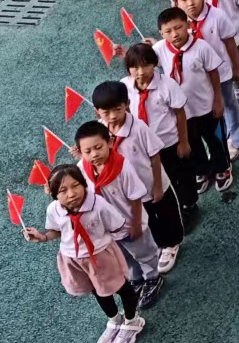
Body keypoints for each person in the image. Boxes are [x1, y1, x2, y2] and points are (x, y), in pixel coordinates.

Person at [23, 165, 146, 343]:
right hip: (73, 259)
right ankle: (115, 319)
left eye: (75, 186)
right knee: (97, 291)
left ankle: (132, 320)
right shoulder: (54, 210)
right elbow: (58, 230)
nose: (71, 194)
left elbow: (116, 225)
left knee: (122, 287)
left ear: (84, 184)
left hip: (100, 255)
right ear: (54, 194)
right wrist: (43, 236)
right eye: (63, 190)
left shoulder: (98, 204)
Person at [91, 79, 184, 276]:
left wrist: (158, 186)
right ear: (97, 112)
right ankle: (159, 245)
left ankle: (172, 243)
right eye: (106, 112)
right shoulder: (100, 131)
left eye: (117, 109)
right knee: (147, 219)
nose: (113, 116)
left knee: (166, 214)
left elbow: (155, 156)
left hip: (151, 184)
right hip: (130, 191)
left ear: (127, 104)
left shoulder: (139, 128)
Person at [73, 120, 163, 307]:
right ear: (80, 152)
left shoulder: (123, 167)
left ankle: (153, 277)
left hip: (130, 224)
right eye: (87, 151)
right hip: (108, 229)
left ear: (110, 142)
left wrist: (136, 224)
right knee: (124, 256)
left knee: (144, 253)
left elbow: (135, 198)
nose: (94, 154)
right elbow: (72, 184)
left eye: (98, 147)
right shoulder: (83, 168)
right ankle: (137, 278)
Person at [154, 6, 231, 193]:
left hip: (206, 106)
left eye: (178, 27)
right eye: (168, 31)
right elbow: (144, 61)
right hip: (183, 111)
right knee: (193, 142)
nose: (174, 34)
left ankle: (222, 167)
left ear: (187, 24)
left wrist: (218, 99)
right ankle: (202, 170)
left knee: (214, 139)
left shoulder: (201, 46)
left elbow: (213, 73)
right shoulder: (159, 49)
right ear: (161, 34)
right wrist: (126, 53)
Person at [121, 43, 196, 228]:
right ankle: (171, 210)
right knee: (158, 178)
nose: (140, 72)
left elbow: (180, 113)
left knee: (179, 176)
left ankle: (188, 206)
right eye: (134, 67)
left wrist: (183, 142)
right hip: (144, 146)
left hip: (168, 143)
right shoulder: (124, 87)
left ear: (154, 64)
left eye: (146, 65)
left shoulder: (167, 85)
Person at [175, 0, 239, 158]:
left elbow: (229, 43)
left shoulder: (217, 15)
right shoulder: (179, 25)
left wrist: (236, 67)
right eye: (184, 0)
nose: (190, 3)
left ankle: (236, 137)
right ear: (176, 3)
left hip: (221, 72)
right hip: (198, 78)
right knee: (208, 111)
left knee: (228, 103)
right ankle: (218, 141)